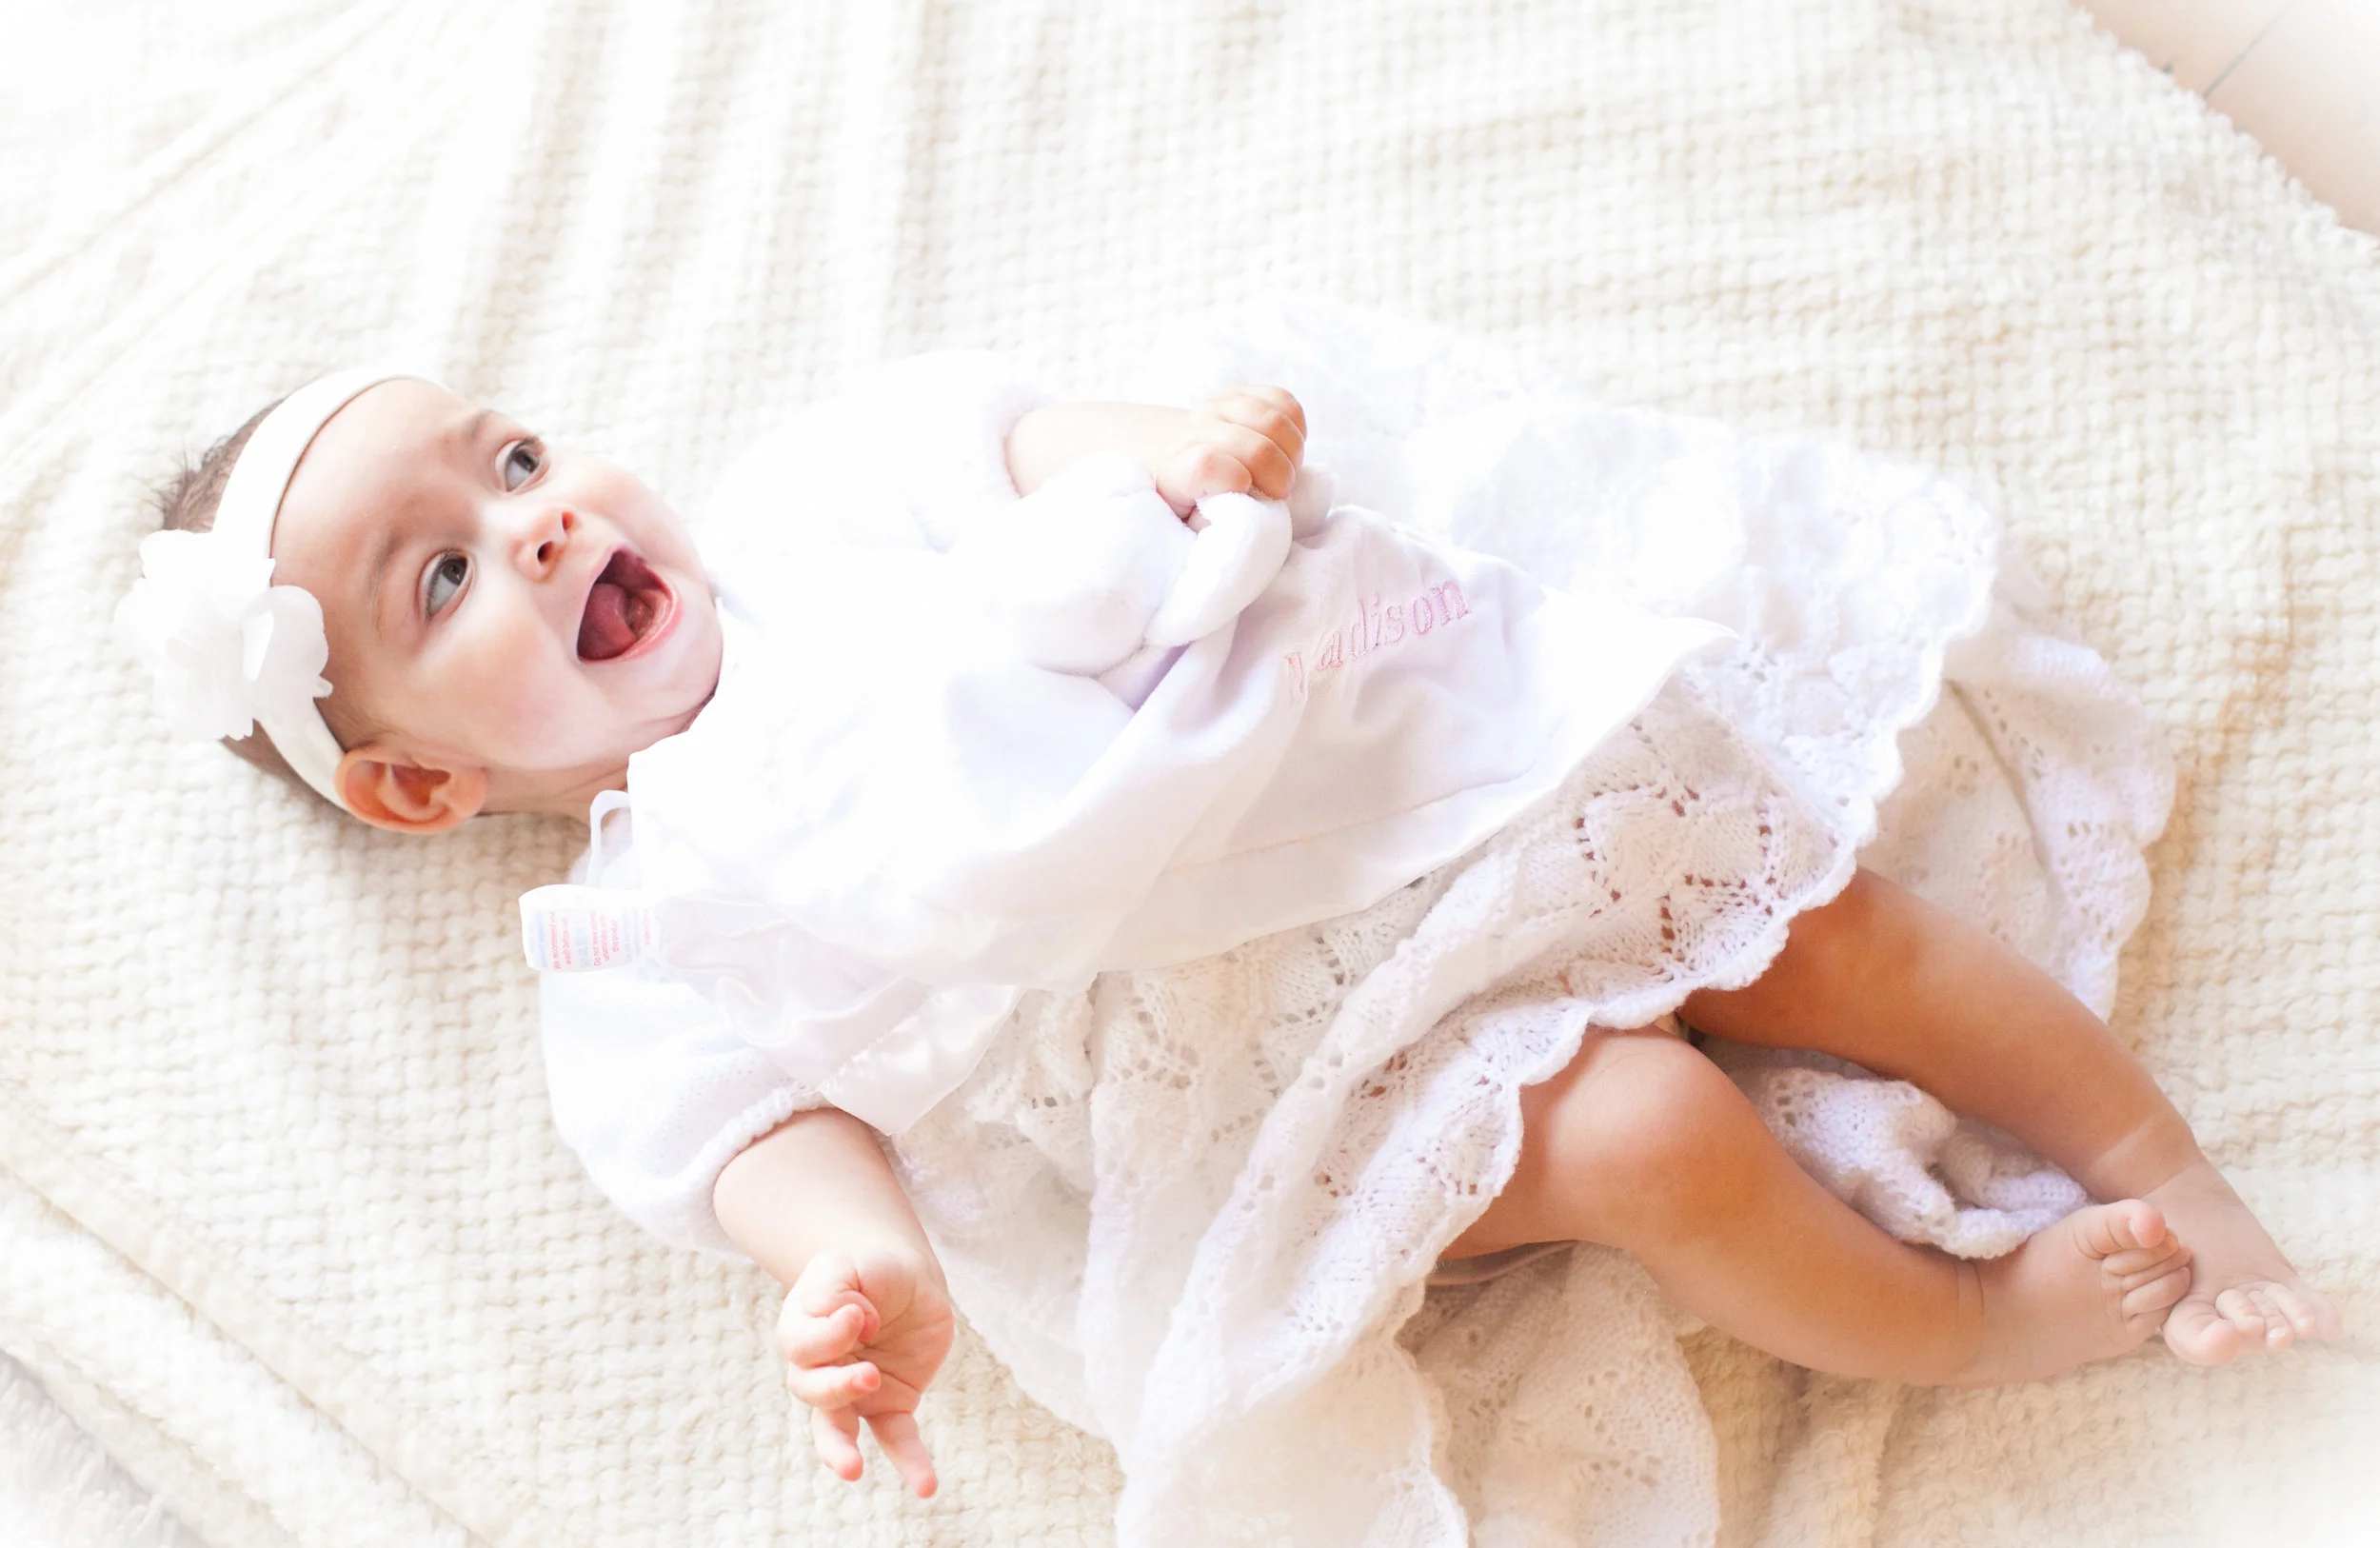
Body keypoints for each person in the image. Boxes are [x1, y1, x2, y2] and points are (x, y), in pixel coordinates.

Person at [114, 325, 2338, 1520]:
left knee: (1811, 918)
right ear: (423, 785)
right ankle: (1961, 1324)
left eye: (512, 463)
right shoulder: (639, 940)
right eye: (441, 576)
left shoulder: (819, 503)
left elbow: (1021, 443)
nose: (531, 526)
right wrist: (859, 1272)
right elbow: (754, 1145)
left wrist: (1182, 453)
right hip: (1275, 1090)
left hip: (1391, 790)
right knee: (1650, 1135)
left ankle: (2164, 1165)